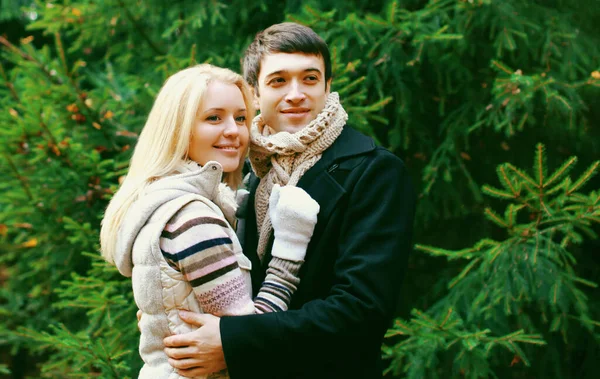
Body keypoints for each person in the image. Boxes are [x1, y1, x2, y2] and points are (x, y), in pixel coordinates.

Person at [163, 23, 417, 378]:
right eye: (278, 80)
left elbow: (361, 311)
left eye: (310, 79)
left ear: (327, 87)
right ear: (254, 93)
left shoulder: (375, 172)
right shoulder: (253, 174)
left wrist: (233, 343)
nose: (296, 93)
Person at [100, 64, 320, 378]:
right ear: (178, 129)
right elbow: (248, 337)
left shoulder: (158, 204)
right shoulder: (194, 220)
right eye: (214, 117)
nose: (234, 131)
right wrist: (289, 246)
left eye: (241, 118)